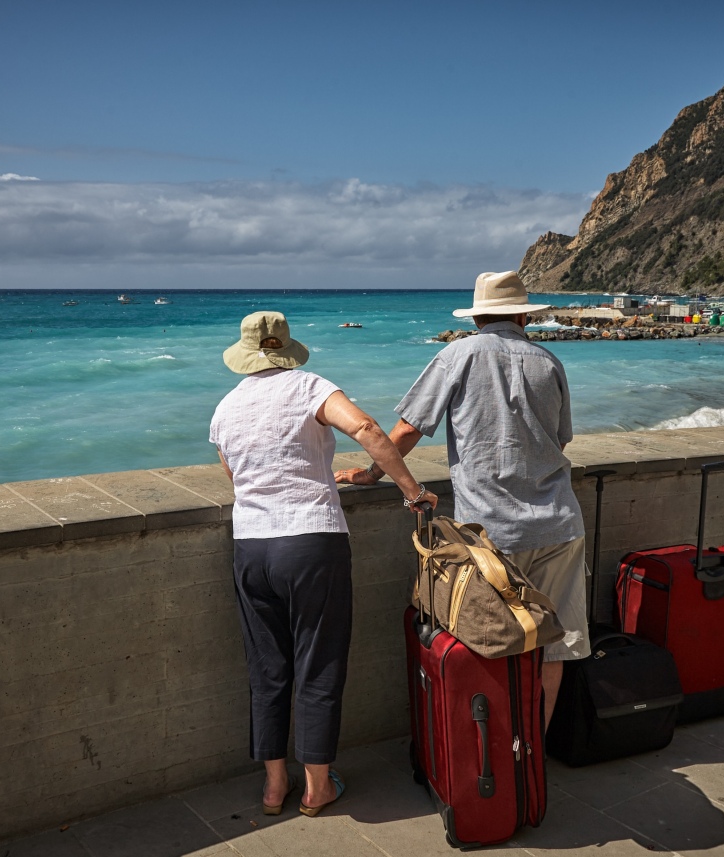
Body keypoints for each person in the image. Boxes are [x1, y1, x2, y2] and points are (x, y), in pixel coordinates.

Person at [335, 271, 589, 731]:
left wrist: (371, 473)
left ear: (477, 317)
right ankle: (534, 754)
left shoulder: (458, 354)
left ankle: (496, 757)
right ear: (522, 315)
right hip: (559, 525)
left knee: (491, 642)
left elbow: (409, 428)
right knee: (557, 646)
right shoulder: (548, 361)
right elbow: (561, 442)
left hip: (490, 534)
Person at [210, 311, 437, 818]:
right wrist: (412, 491)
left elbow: (237, 477)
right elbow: (366, 427)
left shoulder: (225, 408)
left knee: (266, 667)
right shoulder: (309, 386)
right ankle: (316, 786)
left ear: (245, 355)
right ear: (287, 349)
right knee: (319, 661)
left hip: (251, 546)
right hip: (311, 541)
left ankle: (273, 786)